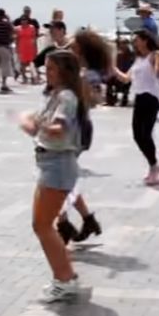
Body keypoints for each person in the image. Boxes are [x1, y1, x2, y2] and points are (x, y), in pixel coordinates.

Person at [16, 49, 91, 303]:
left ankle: (66, 279)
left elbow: (59, 128)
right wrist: (30, 122)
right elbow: (42, 125)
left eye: (50, 69)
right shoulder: (56, 95)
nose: (46, 73)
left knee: (43, 226)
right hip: (50, 163)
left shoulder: (67, 97)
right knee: (42, 225)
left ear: (63, 72)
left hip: (58, 165)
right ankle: (65, 277)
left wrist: (37, 125)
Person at [54, 28, 107, 244]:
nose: (69, 47)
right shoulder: (74, 71)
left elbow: (95, 99)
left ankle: (64, 222)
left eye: (73, 46)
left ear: (82, 50)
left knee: (59, 179)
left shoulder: (86, 74)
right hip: (72, 128)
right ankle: (84, 219)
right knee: (63, 178)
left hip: (76, 131)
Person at [109, 29, 159, 185]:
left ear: (145, 40)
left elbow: (158, 73)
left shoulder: (155, 55)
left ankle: (154, 167)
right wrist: (113, 68)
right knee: (137, 135)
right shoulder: (138, 60)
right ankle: (153, 164)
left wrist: (158, 65)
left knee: (145, 134)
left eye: (137, 39)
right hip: (139, 98)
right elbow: (126, 79)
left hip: (151, 98)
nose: (134, 42)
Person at [15, 16, 39, 84]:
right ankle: (24, 77)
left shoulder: (32, 27)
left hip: (30, 47)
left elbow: (34, 38)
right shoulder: (18, 28)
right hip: (22, 47)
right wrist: (17, 48)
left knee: (31, 63)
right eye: (22, 20)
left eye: (25, 20)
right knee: (22, 63)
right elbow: (16, 39)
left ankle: (33, 77)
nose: (23, 21)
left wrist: (35, 48)